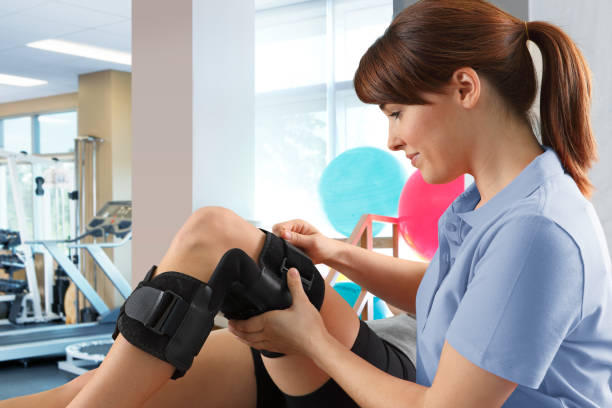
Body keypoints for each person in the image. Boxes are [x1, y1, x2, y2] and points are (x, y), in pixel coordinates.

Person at [2, 0, 611, 406]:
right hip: (396, 381)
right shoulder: (494, 197)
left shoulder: (537, 229)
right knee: (105, 383)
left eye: (398, 113)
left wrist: (312, 340)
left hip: (402, 396)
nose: (393, 139)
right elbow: (446, 292)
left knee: (215, 233)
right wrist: (336, 253)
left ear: (465, 87)